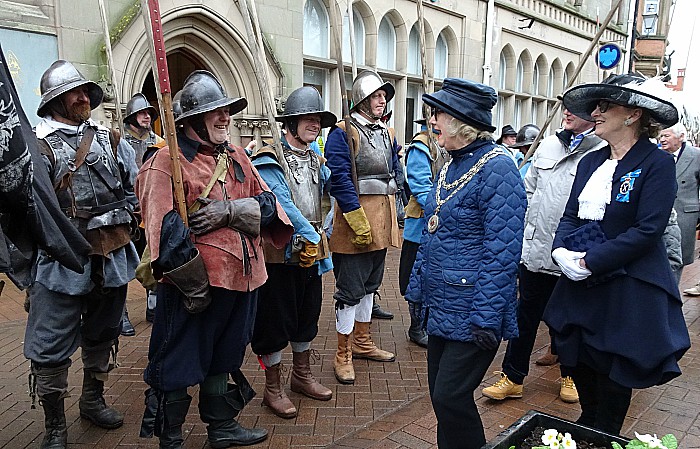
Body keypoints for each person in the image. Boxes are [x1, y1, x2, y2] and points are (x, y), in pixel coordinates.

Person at [136, 70, 293, 448]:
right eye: (215, 111)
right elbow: (163, 232)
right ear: (191, 120)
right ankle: (170, 437)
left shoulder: (239, 156)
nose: (226, 118)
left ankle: (221, 430)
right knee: (175, 363)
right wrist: (195, 287)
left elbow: (270, 206)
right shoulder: (165, 163)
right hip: (194, 288)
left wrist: (231, 211)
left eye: (226, 110)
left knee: (225, 357)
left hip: (244, 279)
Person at [544, 74, 690, 435]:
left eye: (605, 105)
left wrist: (591, 262)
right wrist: (560, 250)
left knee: (613, 362)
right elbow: (570, 216)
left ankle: (605, 432)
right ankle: (589, 424)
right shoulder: (591, 162)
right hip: (581, 280)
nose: (595, 112)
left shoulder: (657, 164)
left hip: (628, 283)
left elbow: (647, 230)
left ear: (633, 114)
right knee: (577, 355)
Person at [405, 78, 526, 449]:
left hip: (474, 310)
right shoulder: (450, 166)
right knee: (442, 399)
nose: (431, 121)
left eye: (437, 114)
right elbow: (432, 233)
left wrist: (488, 316)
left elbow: (502, 252)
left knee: (451, 397)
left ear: (462, 120)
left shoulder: (498, 169)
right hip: (442, 305)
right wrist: (418, 292)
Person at [25, 59, 140, 449]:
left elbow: (132, 189)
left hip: (111, 255)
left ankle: (92, 399)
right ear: (55, 100)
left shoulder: (110, 139)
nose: (82, 97)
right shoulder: (38, 147)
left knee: (102, 333)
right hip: (61, 261)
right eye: (73, 92)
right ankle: (54, 424)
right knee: (50, 345)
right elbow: (27, 213)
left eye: (84, 91)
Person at [482, 106, 607, 405]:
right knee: (524, 316)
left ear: (594, 115)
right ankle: (512, 377)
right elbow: (528, 191)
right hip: (535, 250)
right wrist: (526, 234)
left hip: (571, 254)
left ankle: (571, 376)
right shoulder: (548, 144)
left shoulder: (602, 150)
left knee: (566, 321)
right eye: (565, 106)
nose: (566, 112)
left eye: (575, 109)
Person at [250, 86, 336, 418]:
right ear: (291, 122)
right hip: (281, 254)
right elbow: (283, 205)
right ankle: (273, 388)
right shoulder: (270, 158)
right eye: (307, 118)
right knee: (274, 322)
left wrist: (324, 227)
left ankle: (301, 376)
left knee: (306, 316)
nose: (314, 123)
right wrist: (310, 234)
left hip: (311, 252)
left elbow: (325, 197)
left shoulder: (317, 158)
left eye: (317, 118)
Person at [325, 70, 401, 385]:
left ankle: (362, 341)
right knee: (350, 290)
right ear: (362, 100)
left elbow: (395, 169)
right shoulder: (343, 131)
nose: (382, 100)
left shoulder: (387, 132)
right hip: (354, 218)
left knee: (371, 285)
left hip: (383, 217)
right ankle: (342, 353)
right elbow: (339, 176)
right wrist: (356, 217)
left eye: (384, 96)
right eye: (376, 96)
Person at [399, 118, 449, 348]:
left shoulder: (448, 143)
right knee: (416, 278)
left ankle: (429, 323)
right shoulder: (421, 146)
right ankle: (416, 326)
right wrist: (444, 209)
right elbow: (420, 186)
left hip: (442, 226)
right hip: (421, 228)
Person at [122, 92, 167, 328]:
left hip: (151, 210)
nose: (147, 116)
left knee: (154, 260)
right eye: (142, 113)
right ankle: (121, 314)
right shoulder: (118, 144)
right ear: (131, 116)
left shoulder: (159, 142)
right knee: (122, 264)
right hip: (126, 213)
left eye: (149, 113)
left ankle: (153, 304)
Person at [657, 123, 700, 286]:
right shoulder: (657, 157)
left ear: (681, 137)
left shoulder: (696, 156)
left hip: (685, 217)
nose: (662, 139)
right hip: (660, 217)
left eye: (666, 136)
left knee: (677, 260)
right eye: (661, 136)